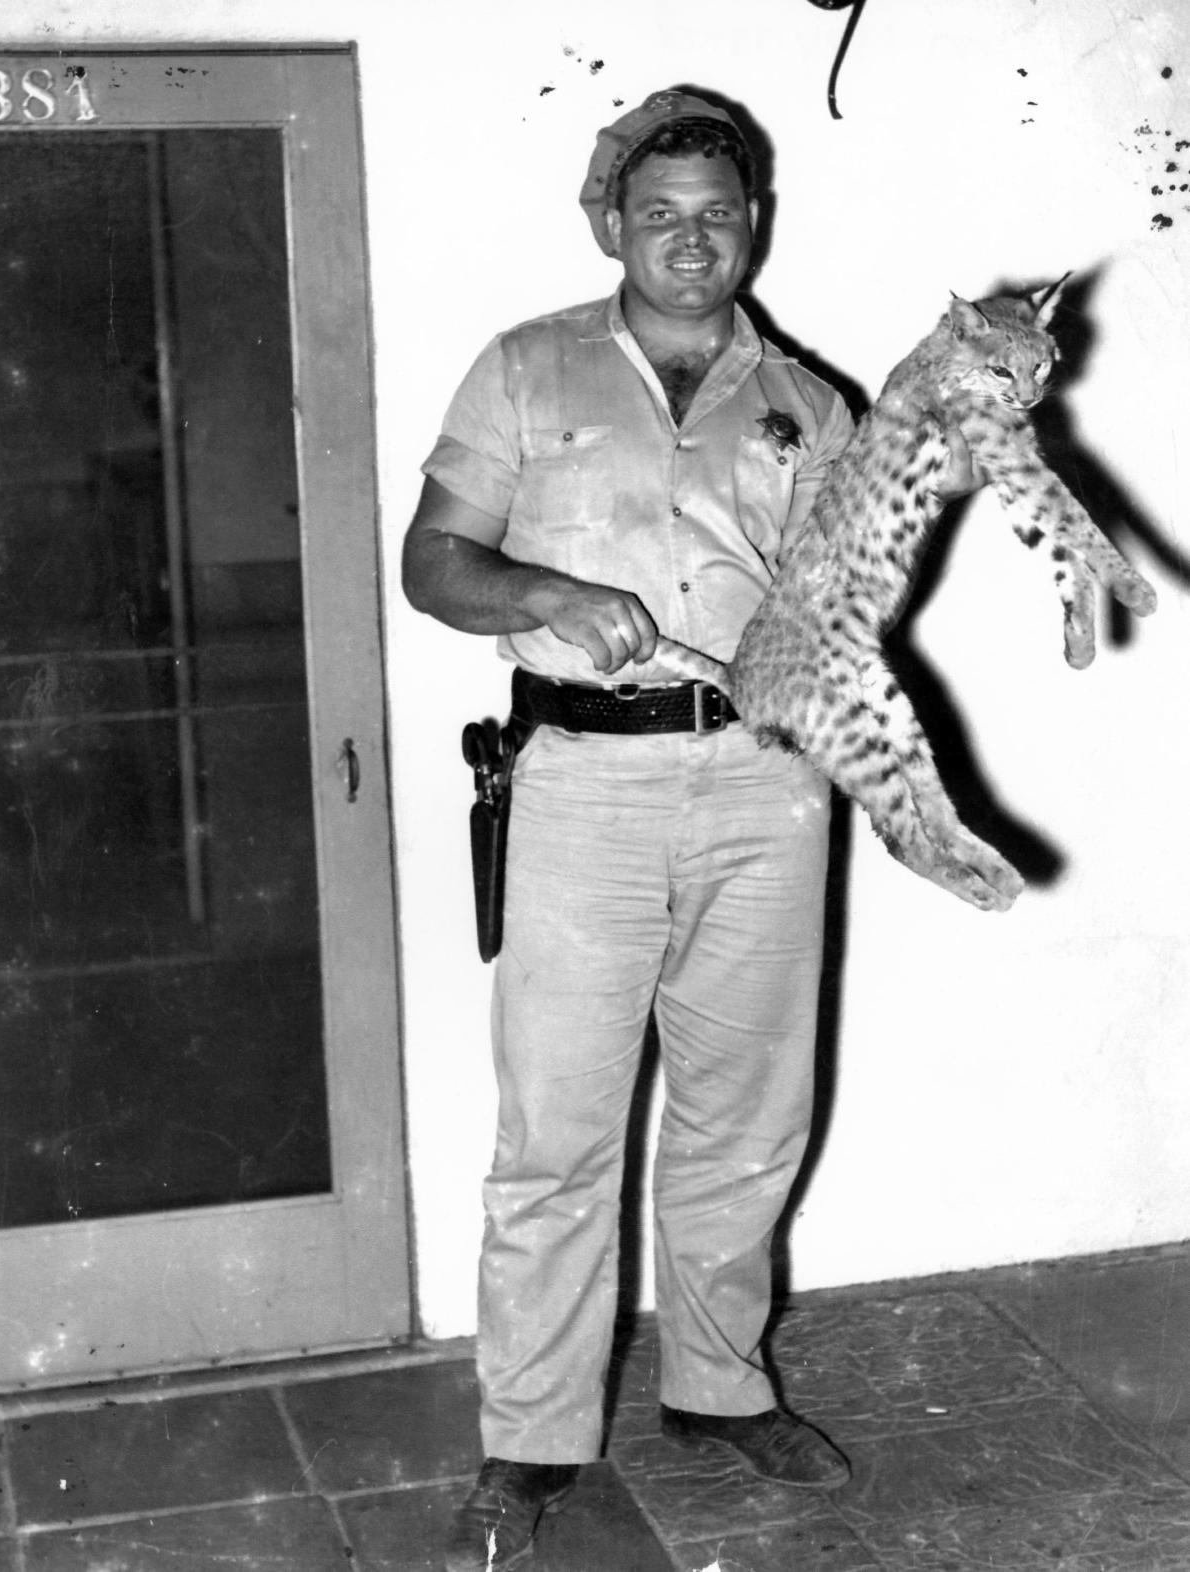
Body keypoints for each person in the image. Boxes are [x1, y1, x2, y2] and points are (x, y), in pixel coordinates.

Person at [403, 88, 977, 1572]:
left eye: (716, 214)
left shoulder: (811, 401)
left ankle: (717, 1390)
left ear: (753, 226)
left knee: (747, 1110)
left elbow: (851, 597)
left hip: (764, 783)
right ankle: (527, 1440)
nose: (689, 240)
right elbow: (433, 563)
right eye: (658, 213)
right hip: (579, 788)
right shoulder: (525, 368)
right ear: (611, 223)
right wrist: (542, 594)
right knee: (556, 1131)